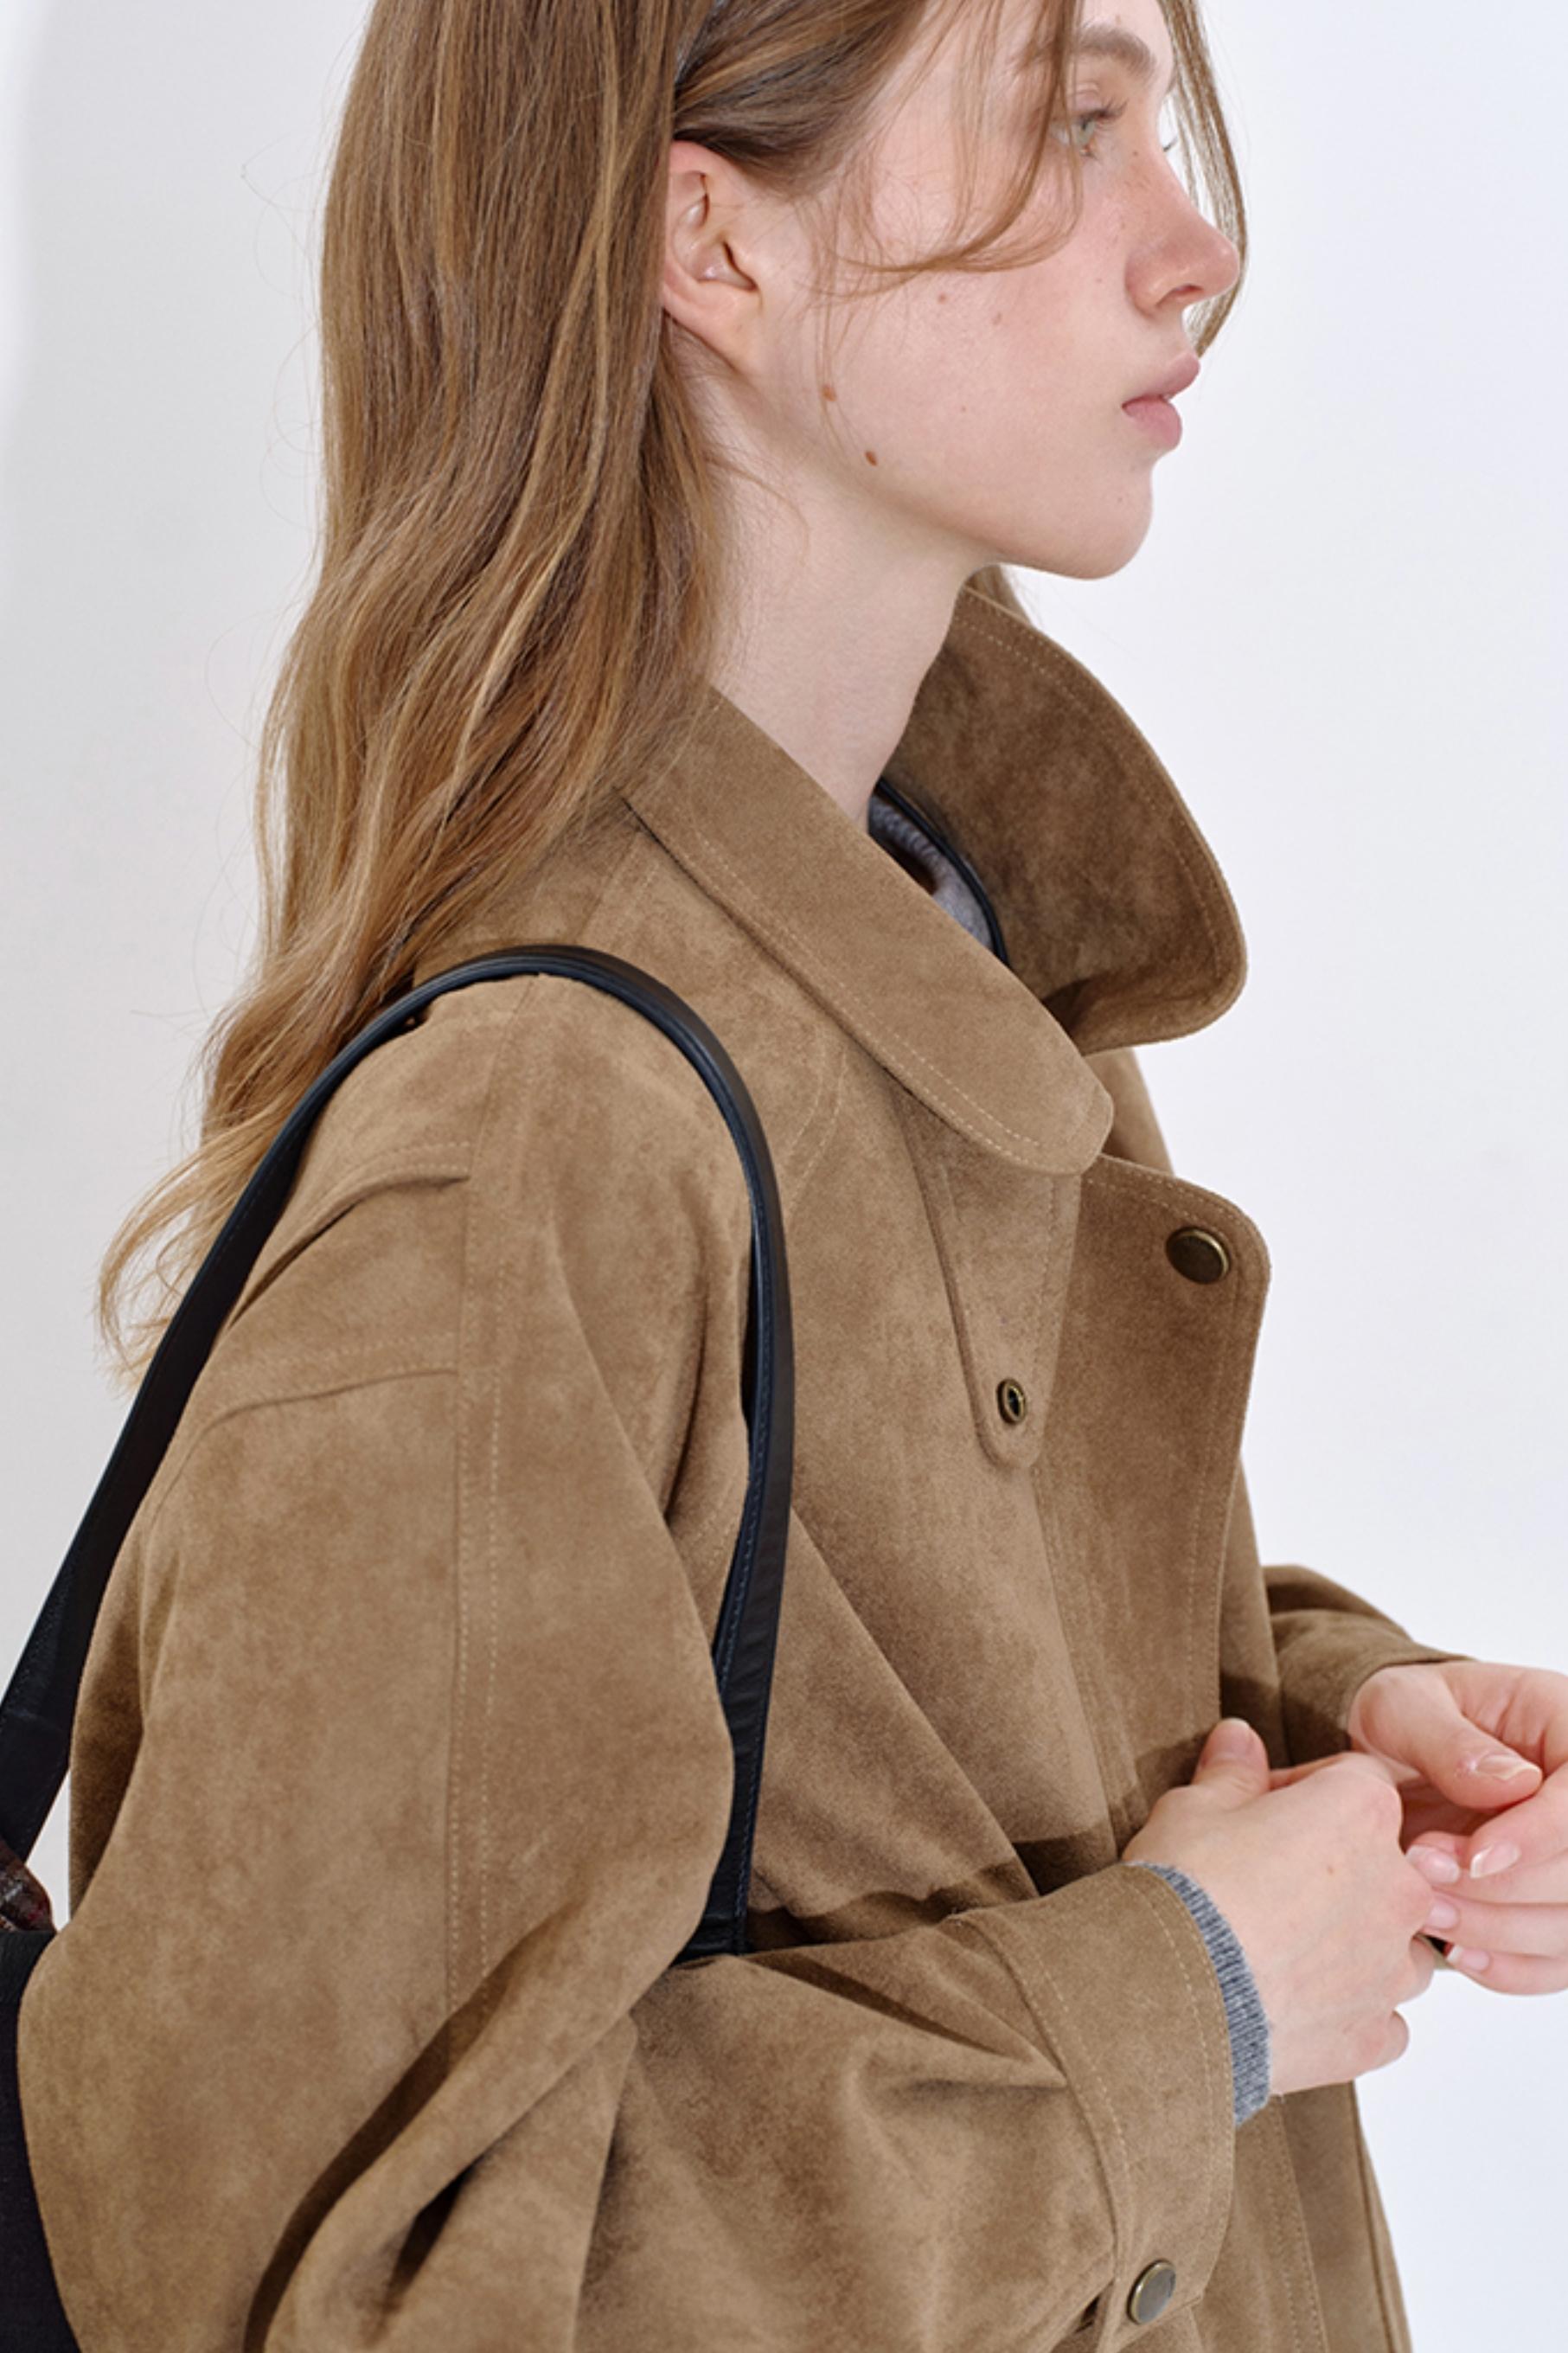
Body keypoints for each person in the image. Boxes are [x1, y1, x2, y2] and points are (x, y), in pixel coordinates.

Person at [16, 0, 1565, 2345]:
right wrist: (1206, 1992)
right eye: (1073, 121)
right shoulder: (538, 1142)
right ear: (714, 248)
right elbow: (366, 2296)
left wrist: (1352, 1728)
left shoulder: (933, 942)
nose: (1200, 246)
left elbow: (892, 1702)